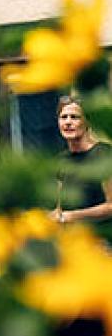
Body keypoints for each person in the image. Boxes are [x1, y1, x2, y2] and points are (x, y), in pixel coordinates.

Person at [54, 96, 112, 236]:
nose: (68, 122)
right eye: (64, 117)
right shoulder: (61, 160)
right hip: (74, 242)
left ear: (87, 122)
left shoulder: (105, 154)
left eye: (74, 117)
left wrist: (72, 216)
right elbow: (60, 210)